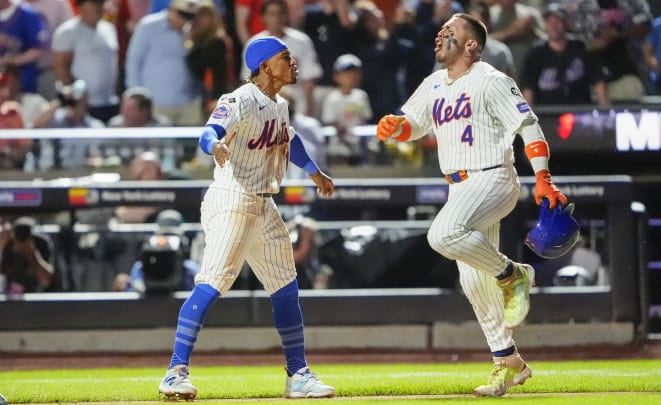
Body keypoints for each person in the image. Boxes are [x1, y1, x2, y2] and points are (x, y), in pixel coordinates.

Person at [375, 13, 567, 397]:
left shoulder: (492, 79)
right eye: (441, 29)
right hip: (459, 186)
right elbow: (414, 124)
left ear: (471, 45)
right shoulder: (433, 83)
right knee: (473, 281)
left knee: (443, 234)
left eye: (451, 31)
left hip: (493, 175)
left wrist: (543, 176)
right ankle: (508, 361)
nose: (440, 34)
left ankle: (515, 273)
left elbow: (528, 126)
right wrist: (397, 127)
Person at [158, 36, 336, 400]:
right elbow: (209, 131)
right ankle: (175, 372)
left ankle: (298, 374)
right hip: (233, 197)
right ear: (265, 66)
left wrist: (315, 172)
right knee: (213, 283)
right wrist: (215, 144)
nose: (293, 62)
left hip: (264, 203)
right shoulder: (238, 99)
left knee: (286, 287)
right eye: (285, 57)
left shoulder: (279, 105)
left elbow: (291, 140)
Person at [112, 209, 199, 293]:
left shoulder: (190, 270)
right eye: (164, 236)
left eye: (172, 237)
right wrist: (126, 287)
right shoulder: (141, 267)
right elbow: (133, 297)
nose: (168, 242)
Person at [0, 216, 55, 294]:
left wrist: (31, 253)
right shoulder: (8, 245)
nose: (21, 238)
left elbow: (46, 282)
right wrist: (2, 245)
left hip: (35, 300)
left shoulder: (40, 243)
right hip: (8, 300)